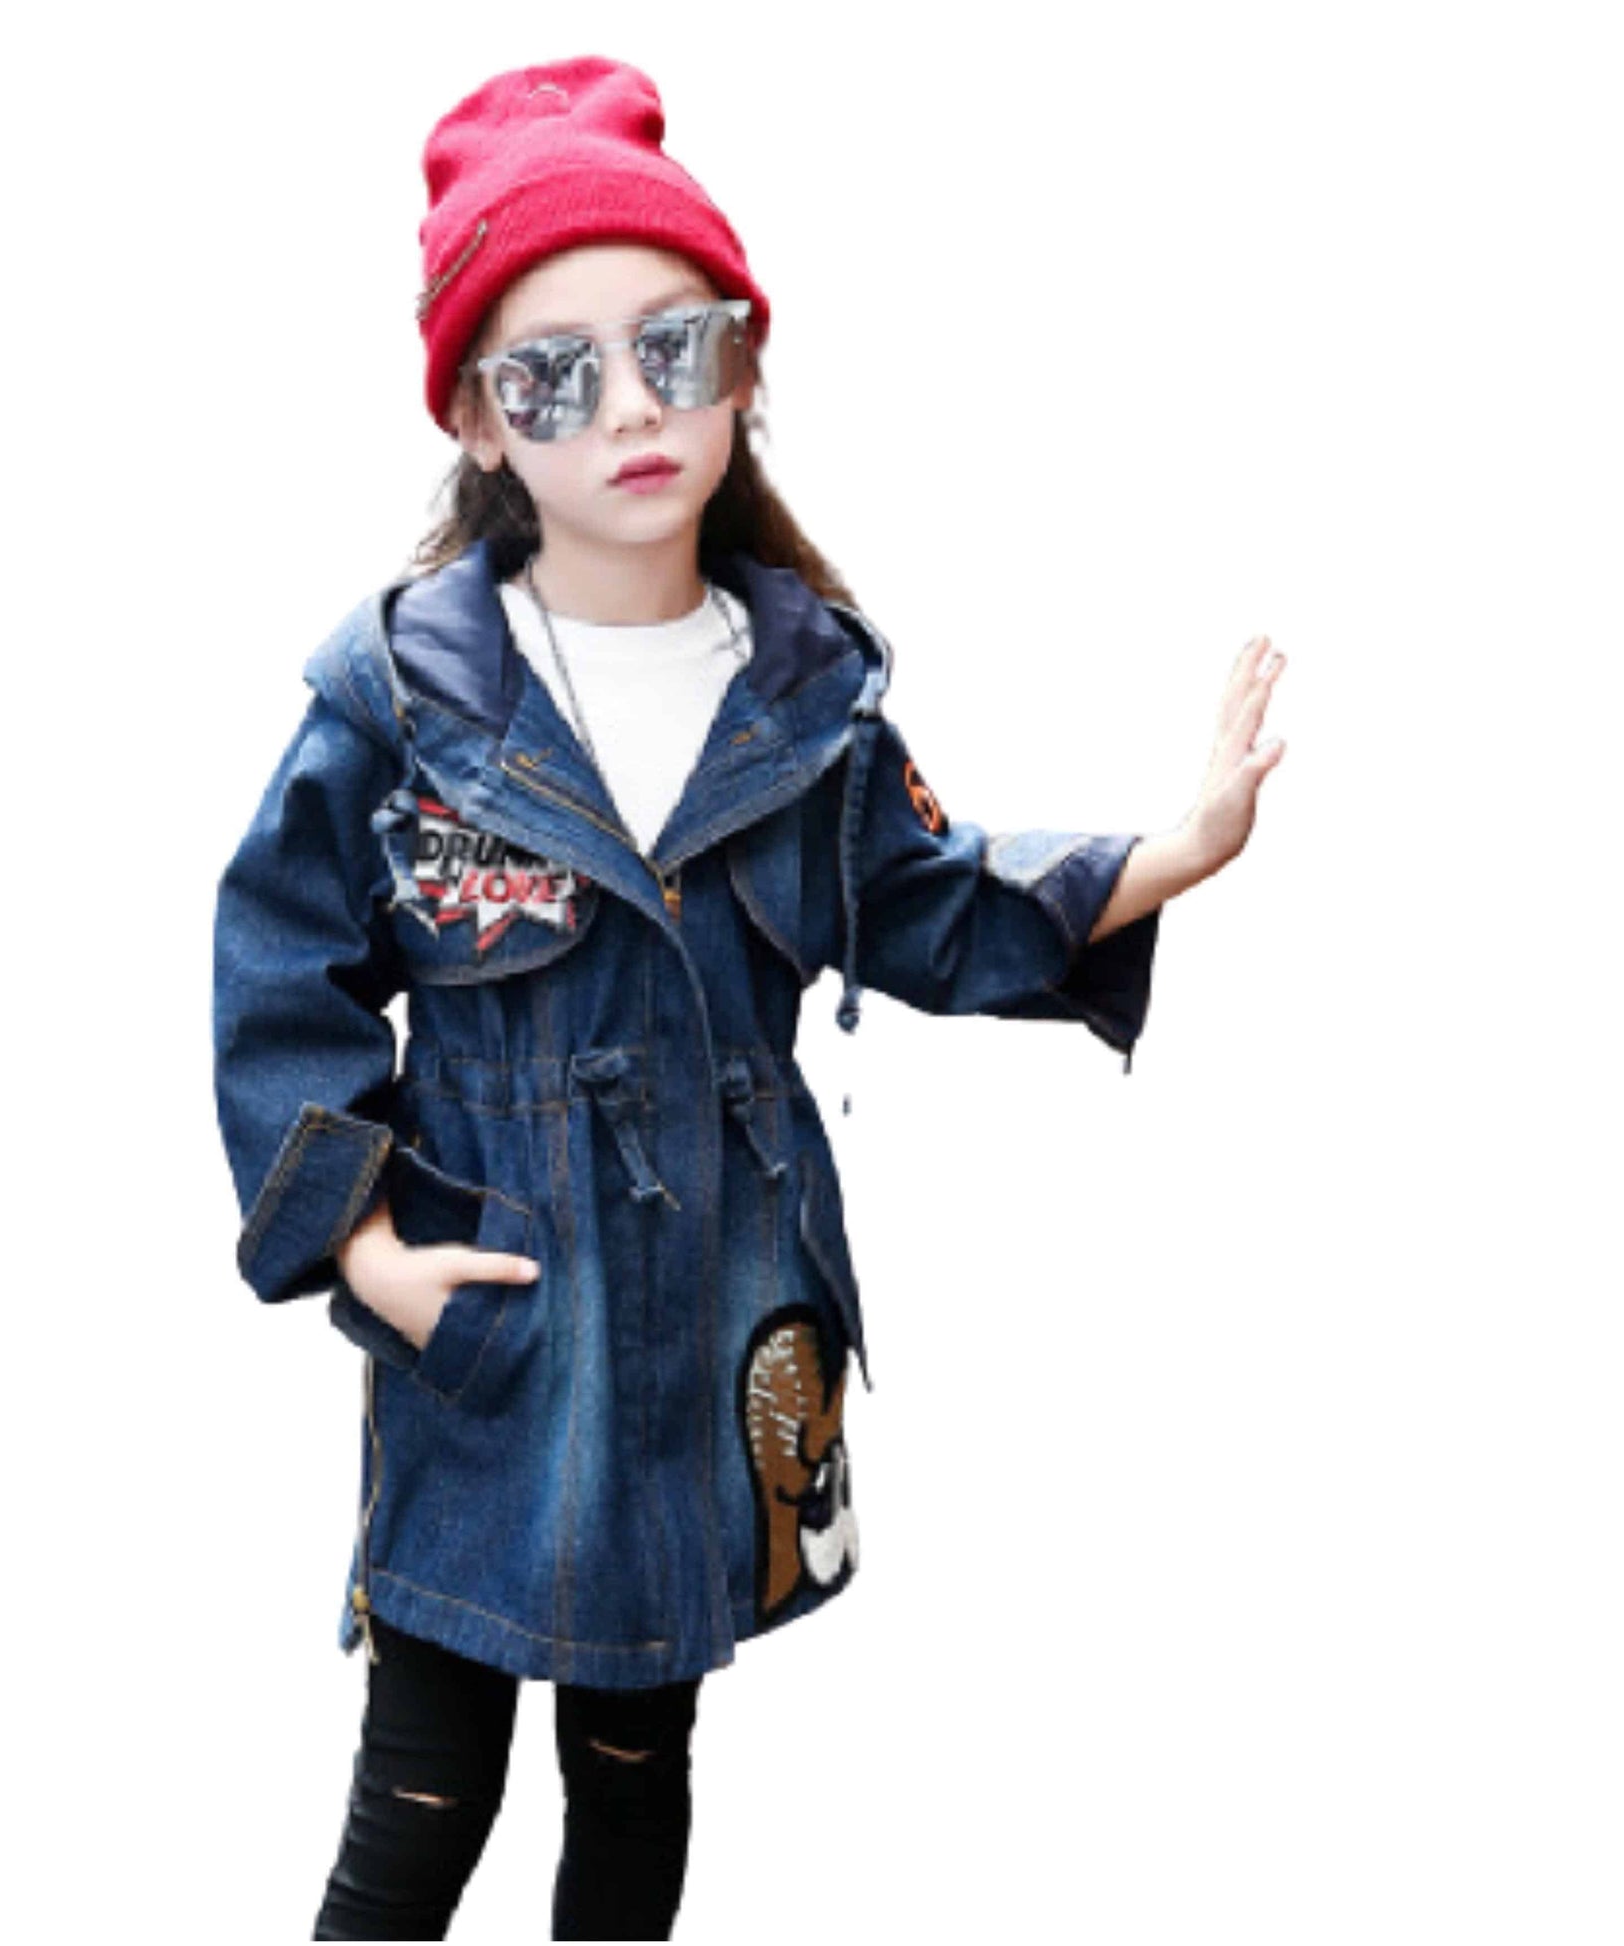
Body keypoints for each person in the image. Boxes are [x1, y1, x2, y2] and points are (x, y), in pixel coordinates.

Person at [210, 53, 1287, 1942]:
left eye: (675, 347)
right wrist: (362, 1246)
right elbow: (279, 968)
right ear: (475, 417)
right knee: (422, 1777)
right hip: (496, 1311)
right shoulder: (402, 702)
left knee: (640, 1762)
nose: (630, 406)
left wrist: (1171, 851)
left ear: (741, 364)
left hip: (715, 1290)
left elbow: (927, 902)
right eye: (555, 374)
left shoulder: (804, 696)